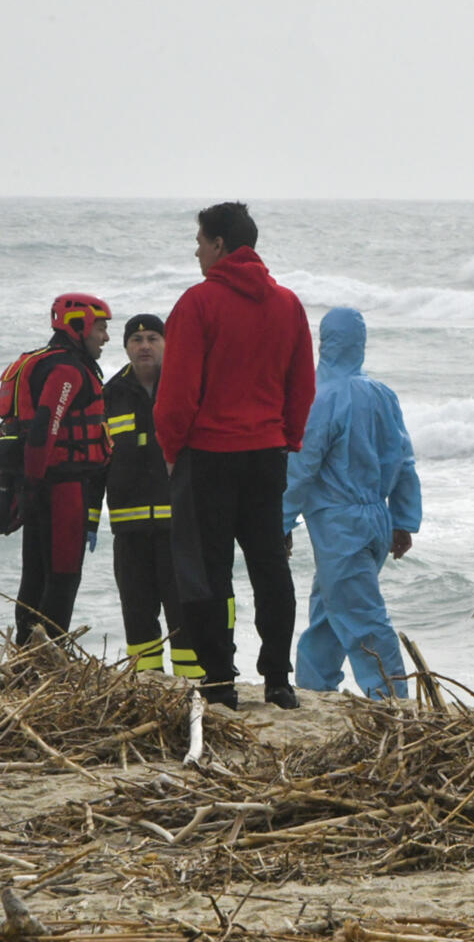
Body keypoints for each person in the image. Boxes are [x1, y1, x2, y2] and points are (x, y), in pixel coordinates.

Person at [155, 202, 315, 711]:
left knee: (208, 571)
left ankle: (220, 680)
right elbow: (302, 386)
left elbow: (177, 392)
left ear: (220, 245)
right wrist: (286, 437)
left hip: (209, 454)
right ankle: (277, 680)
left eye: (200, 240)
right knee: (269, 564)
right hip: (267, 453)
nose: (196, 249)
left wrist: (170, 448)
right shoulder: (288, 304)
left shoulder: (199, 303)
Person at [281, 307, 421, 699]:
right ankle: (314, 688)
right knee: (329, 611)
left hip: (340, 524)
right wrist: (403, 519)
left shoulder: (321, 397)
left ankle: (391, 699)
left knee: (361, 617)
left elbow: (301, 468)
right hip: (376, 517)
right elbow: (405, 461)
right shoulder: (382, 394)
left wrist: (280, 521)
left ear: (323, 342)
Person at [91, 314, 202, 677]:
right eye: (136, 339)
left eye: (153, 338)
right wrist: (90, 518)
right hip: (129, 529)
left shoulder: (186, 388)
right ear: (125, 348)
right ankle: (147, 683)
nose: (144, 346)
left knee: (185, 609)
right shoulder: (109, 395)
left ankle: (193, 684)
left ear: (167, 344)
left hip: (181, 525)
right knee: (137, 612)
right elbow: (95, 464)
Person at [1, 295, 112, 643]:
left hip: (34, 485)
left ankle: (25, 657)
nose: (105, 337)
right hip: (61, 488)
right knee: (63, 577)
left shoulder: (40, 361)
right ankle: (48, 656)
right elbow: (46, 427)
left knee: (34, 575)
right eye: (101, 327)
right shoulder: (66, 370)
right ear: (78, 325)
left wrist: (28, 488)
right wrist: (34, 485)